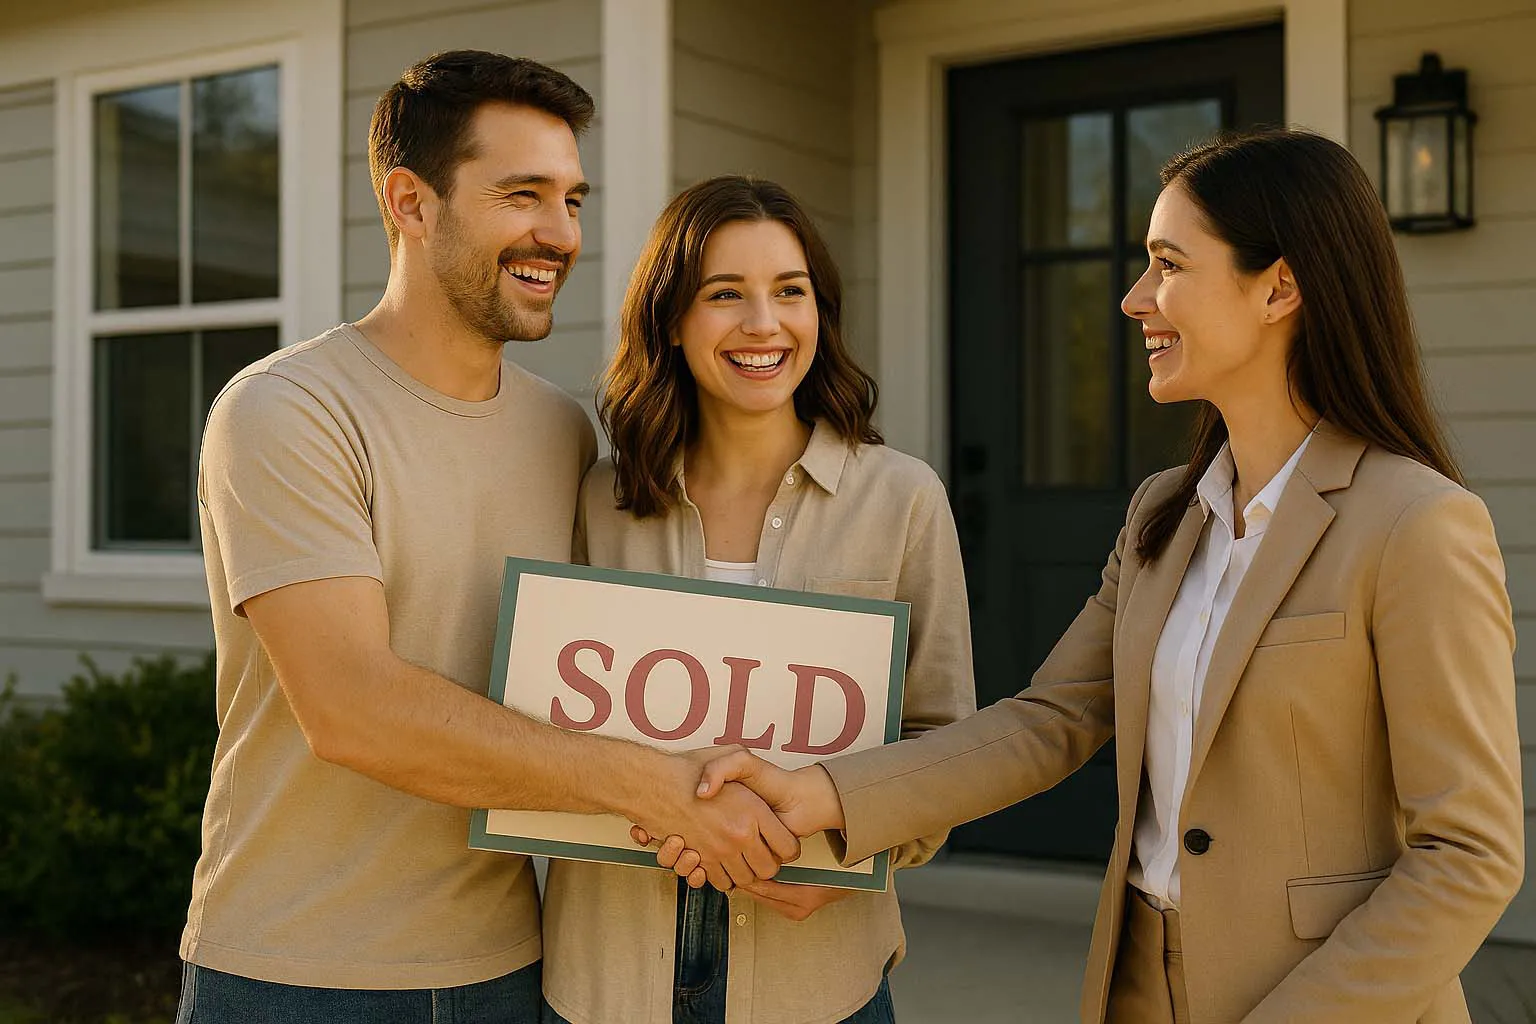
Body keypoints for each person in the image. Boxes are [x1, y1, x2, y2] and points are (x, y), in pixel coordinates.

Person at [656, 130, 1524, 1023]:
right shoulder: (1164, 513)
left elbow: (1469, 854)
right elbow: (1050, 720)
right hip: (1138, 984)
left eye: (1168, 264)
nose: (1134, 297)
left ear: (1280, 287)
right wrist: (827, 796)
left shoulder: (1417, 525)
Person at [178, 53, 796, 1024]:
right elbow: (354, 708)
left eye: (573, 199)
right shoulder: (285, 410)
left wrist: (775, 819)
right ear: (412, 204)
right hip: (299, 975)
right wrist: (663, 787)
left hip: (512, 966)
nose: (560, 233)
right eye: (521, 195)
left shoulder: (565, 435)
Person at [538, 176, 976, 1024]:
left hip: (816, 977)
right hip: (608, 975)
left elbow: (947, 748)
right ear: (671, 318)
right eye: (724, 295)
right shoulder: (596, 501)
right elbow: (546, 733)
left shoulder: (903, 499)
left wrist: (845, 861)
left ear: (821, 312)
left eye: (790, 292)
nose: (763, 325)